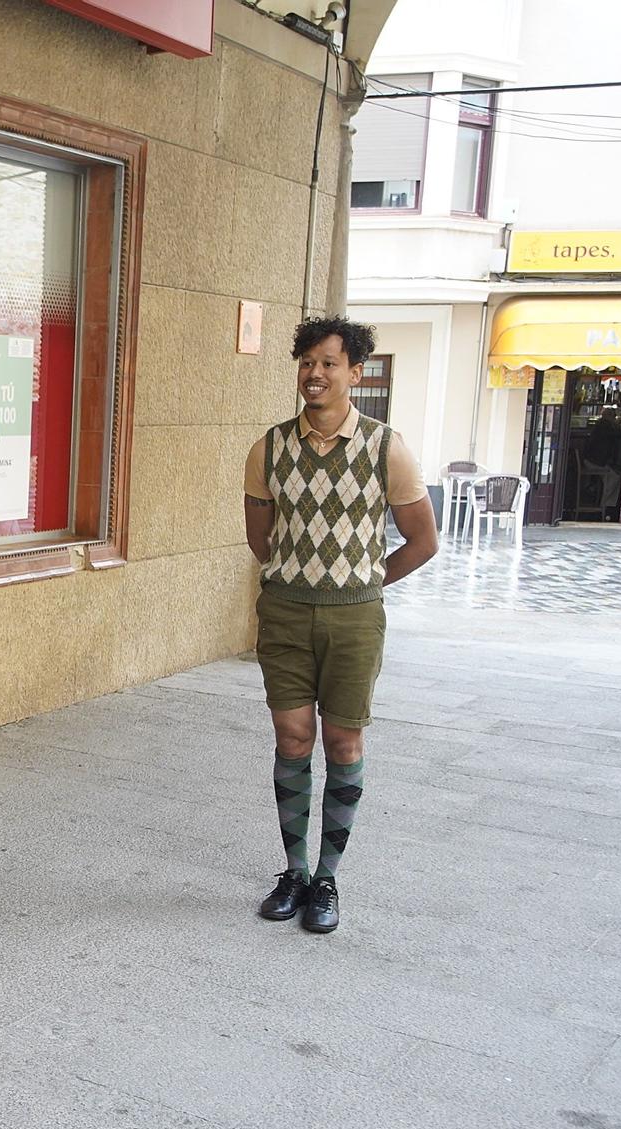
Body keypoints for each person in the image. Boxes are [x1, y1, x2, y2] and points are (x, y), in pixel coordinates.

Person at [242, 316, 437, 934]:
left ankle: (327, 878)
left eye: (329, 363)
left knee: (344, 743)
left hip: (355, 618)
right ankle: (294, 871)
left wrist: (362, 584)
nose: (315, 374)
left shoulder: (386, 447)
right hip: (285, 611)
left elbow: (423, 541)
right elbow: (260, 537)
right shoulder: (269, 447)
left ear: (356, 372)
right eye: (307, 363)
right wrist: (293, 581)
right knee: (293, 738)